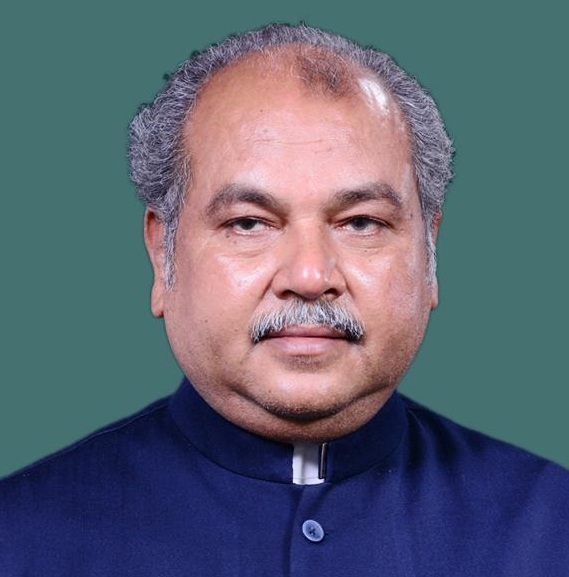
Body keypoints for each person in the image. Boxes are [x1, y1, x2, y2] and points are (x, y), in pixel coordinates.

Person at [1, 23, 567, 576]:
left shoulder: (552, 527)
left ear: (429, 253)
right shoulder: (18, 538)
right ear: (161, 254)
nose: (310, 275)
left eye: (361, 222)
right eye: (249, 223)